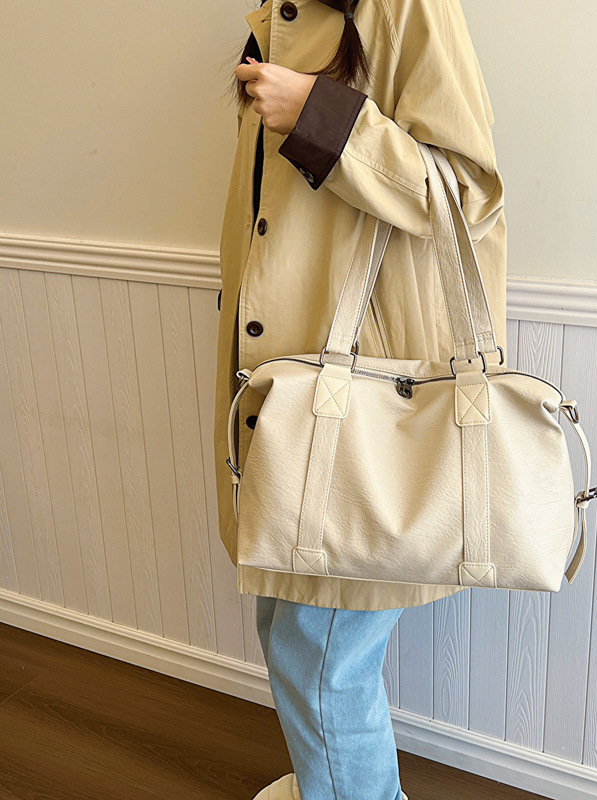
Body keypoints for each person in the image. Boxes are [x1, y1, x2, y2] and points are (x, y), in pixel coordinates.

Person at [214, 0, 506, 797]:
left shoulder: (405, 6)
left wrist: (320, 116)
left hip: (365, 389)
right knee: (294, 624)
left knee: (320, 647)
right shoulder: (285, 9)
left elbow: (466, 193)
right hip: (294, 384)